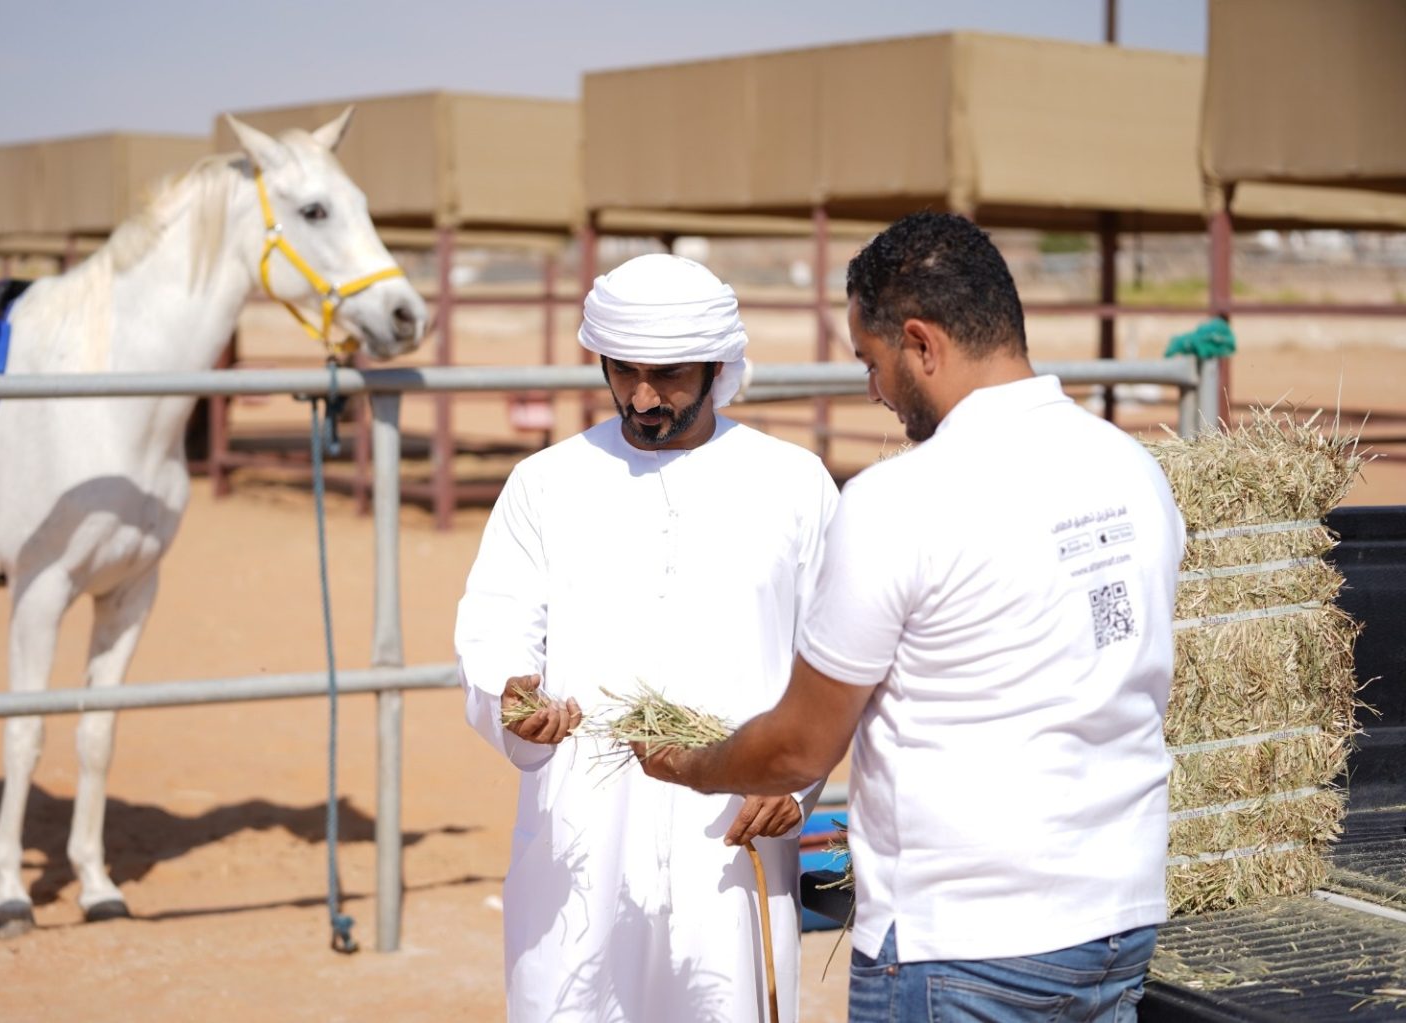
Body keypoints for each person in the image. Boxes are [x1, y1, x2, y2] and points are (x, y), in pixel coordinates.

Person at [636, 213, 1187, 1022]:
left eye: (873, 360)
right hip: (1116, 926)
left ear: (922, 343)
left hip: (965, 945)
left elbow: (797, 745)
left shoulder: (900, 501)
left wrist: (694, 764)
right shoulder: (1133, 470)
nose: (873, 390)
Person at [455, 253, 839, 1022]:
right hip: (583, 841)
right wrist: (512, 699)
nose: (641, 395)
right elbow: (494, 629)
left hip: (731, 835)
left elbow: (833, 666)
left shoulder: (794, 485)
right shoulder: (546, 482)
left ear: (716, 365)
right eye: (621, 369)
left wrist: (791, 786)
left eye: (667, 375)